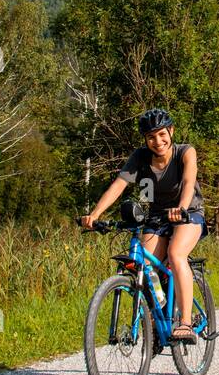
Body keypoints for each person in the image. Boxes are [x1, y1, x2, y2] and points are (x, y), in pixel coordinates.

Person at [81, 108, 207, 342]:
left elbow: (189, 181)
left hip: (188, 213)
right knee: (146, 266)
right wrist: (95, 214)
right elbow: (119, 185)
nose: (157, 141)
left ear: (171, 131)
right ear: (145, 139)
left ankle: (186, 322)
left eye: (161, 134)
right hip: (158, 217)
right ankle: (156, 314)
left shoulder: (185, 152)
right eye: (151, 137)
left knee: (176, 253)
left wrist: (181, 208)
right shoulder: (140, 157)